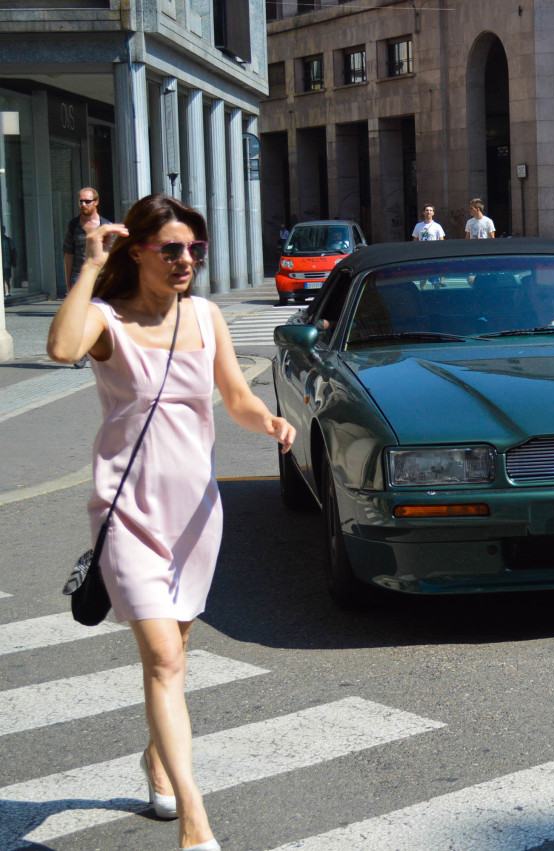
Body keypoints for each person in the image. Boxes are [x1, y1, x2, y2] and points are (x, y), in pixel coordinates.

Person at [45, 194, 296, 851]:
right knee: (162, 656)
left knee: (172, 658)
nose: (187, 260)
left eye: (195, 249)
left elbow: (235, 396)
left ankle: (156, 759)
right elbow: (60, 346)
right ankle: (195, 821)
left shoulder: (206, 317)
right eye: (173, 249)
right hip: (126, 511)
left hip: (194, 515)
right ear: (139, 252)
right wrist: (88, 265)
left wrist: (267, 421)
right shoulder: (106, 320)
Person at [64, 188, 114, 365]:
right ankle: (81, 351)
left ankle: (103, 350)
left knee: (103, 316)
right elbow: (68, 254)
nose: (83, 204)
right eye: (80, 201)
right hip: (79, 276)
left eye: (87, 201)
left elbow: (112, 256)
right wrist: (68, 281)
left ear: (96, 202)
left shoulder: (106, 226)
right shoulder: (73, 225)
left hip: (101, 279)